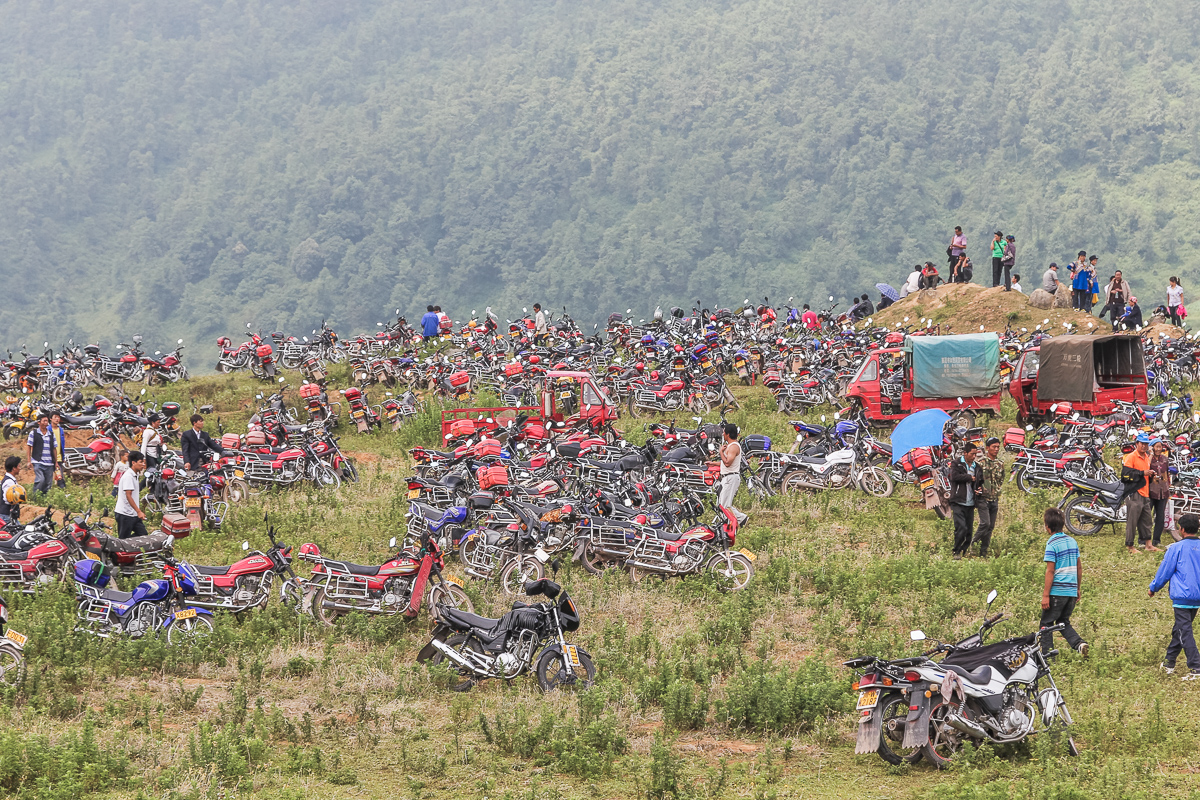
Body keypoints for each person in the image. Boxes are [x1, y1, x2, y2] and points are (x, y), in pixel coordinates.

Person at [1150, 513, 1200, 679]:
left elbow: (1165, 571)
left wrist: (1154, 587)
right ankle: (1169, 662)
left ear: (1182, 529)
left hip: (1182, 597)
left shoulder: (1175, 548)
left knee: (1184, 631)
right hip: (1197, 597)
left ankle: (1196, 666)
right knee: (1180, 629)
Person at [1040, 507, 1088, 656]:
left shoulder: (1052, 544)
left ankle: (1047, 658)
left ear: (1048, 527)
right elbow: (1079, 567)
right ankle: (1079, 644)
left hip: (1057, 592)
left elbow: (1050, 571)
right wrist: (1077, 589)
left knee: (1046, 624)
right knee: (1063, 622)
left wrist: (1046, 595)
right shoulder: (1072, 541)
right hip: (1071, 591)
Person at [949, 442, 982, 560]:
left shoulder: (977, 467)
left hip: (971, 502)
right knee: (961, 527)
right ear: (965, 453)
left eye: (976, 454)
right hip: (958, 501)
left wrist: (979, 488)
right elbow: (954, 477)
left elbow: (979, 481)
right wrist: (969, 477)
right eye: (972, 454)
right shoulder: (956, 464)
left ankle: (964, 550)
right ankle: (956, 551)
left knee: (968, 530)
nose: (974, 457)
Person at [1123, 432, 1156, 553]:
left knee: (1147, 521)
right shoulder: (1131, 457)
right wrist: (1143, 473)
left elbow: (1145, 474)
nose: (1144, 446)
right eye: (1142, 444)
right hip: (1134, 493)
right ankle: (1130, 546)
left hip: (1145, 493)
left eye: (1146, 444)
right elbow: (1126, 475)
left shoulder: (1146, 457)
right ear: (1137, 444)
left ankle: (1148, 545)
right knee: (1132, 521)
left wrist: (1151, 475)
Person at [973, 437, 1004, 558]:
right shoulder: (980, 463)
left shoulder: (1000, 464)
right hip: (983, 498)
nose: (996, 449)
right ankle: (972, 544)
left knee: (990, 527)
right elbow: (974, 479)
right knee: (985, 523)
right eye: (993, 447)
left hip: (994, 498)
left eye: (998, 447)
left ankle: (983, 552)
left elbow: (1001, 479)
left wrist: (996, 490)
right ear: (987, 448)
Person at [718, 423, 748, 526]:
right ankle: (726, 523)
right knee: (721, 504)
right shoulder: (730, 446)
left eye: (724, 432)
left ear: (728, 434)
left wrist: (720, 452)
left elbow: (727, 463)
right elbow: (727, 463)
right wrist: (713, 463)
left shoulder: (733, 447)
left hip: (730, 478)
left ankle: (742, 519)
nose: (723, 434)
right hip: (728, 477)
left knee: (724, 506)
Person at [114, 450, 148, 540]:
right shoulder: (128, 476)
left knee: (143, 535)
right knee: (123, 540)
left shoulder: (134, 475)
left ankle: (131, 548)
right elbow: (128, 496)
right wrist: (139, 511)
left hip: (133, 514)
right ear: (133, 463)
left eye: (143, 462)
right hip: (125, 514)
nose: (143, 465)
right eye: (141, 462)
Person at [26, 413, 56, 497]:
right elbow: (29, 446)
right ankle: (35, 497)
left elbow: (54, 448)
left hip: (49, 463)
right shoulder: (34, 433)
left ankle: (44, 499)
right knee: (40, 479)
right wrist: (29, 461)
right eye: (44, 421)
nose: (46, 422)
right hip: (37, 461)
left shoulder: (51, 434)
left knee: (48, 483)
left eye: (47, 421)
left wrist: (56, 462)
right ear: (39, 422)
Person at [1149, 439, 1171, 551]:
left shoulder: (1165, 459)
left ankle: (1156, 540)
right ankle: (1144, 540)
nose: (1158, 449)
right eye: (1156, 447)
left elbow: (1167, 474)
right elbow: (1145, 468)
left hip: (1163, 491)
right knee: (1147, 517)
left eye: (1160, 447)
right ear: (1152, 447)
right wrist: (1150, 455)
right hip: (1151, 491)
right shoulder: (1148, 459)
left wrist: (1168, 487)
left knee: (1160, 517)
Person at [48, 411, 67, 489]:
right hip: (48, 458)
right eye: (55, 417)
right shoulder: (47, 429)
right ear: (50, 419)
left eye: (58, 417)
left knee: (60, 476)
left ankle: (61, 489)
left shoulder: (61, 430)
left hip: (58, 457)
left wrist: (63, 457)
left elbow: (62, 444)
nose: (57, 419)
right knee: (48, 478)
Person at [0, 456, 21, 526]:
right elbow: (7, 498)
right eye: (18, 466)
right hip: (6, 515)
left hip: (8, 515)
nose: (20, 468)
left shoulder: (11, 480)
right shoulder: (9, 482)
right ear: (13, 468)